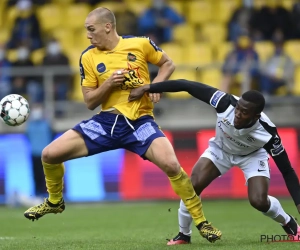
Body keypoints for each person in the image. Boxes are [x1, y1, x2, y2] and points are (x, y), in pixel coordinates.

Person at [23, 7, 222, 243]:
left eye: (91, 29)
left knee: (171, 164)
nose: (88, 35)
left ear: (108, 27)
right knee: (49, 154)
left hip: (140, 123)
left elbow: (168, 63)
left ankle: (201, 221)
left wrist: (156, 85)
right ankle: (55, 201)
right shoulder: (88, 57)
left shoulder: (141, 44)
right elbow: (89, 101)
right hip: (106, 122)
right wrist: (108, 84)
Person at [128, 79, 300, 245]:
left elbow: (287, 171)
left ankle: (289, 223)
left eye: (244, 112)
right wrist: (148, 87)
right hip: (221, 150)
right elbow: (186, 85)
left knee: (259, 201)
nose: (237, 115)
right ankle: (184, 235)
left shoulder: (269, 134)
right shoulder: (225, 102)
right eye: (238, 109)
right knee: (192, 186)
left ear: (256, 116)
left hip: (252, 156)